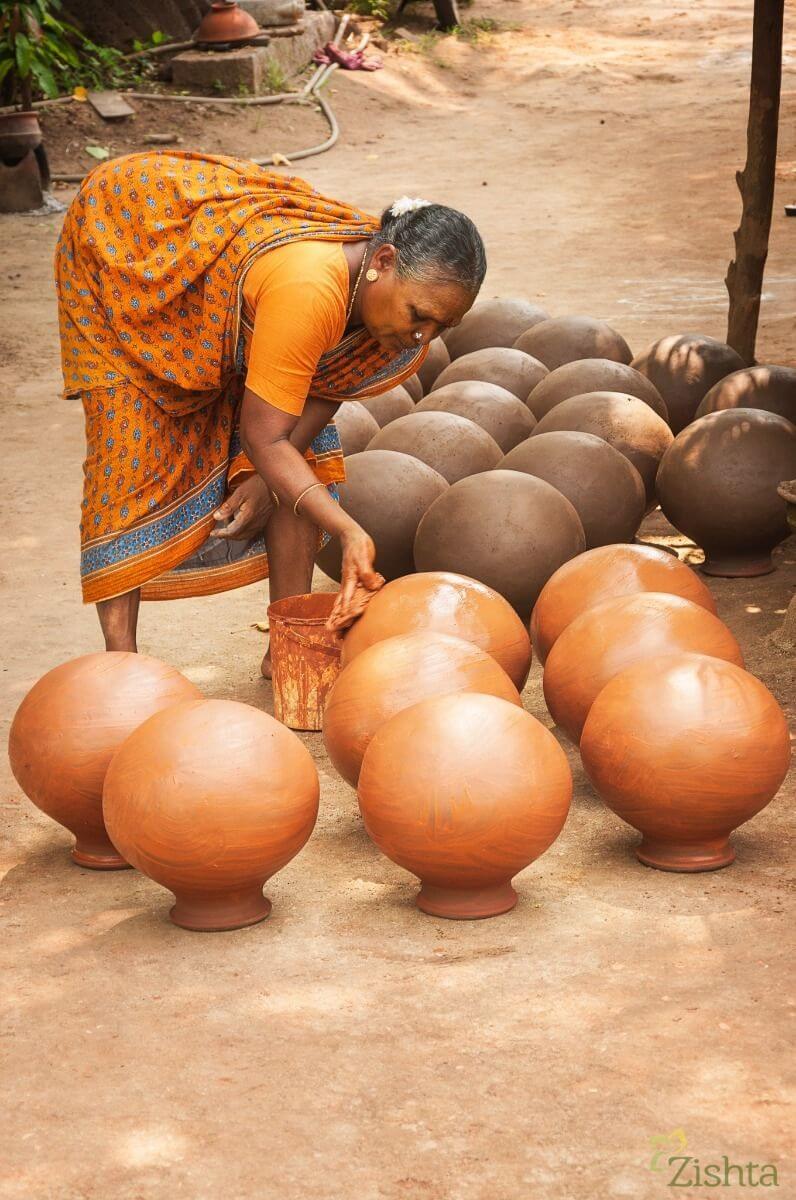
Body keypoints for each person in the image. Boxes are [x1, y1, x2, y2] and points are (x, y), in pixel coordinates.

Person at [55, 151, 486, 672]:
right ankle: (119, 668)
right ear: (383, 262)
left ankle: (289, 647)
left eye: (444, 326)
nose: (425, 337)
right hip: (130, 242)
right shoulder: (310, 289)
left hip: (238, 299)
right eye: (421, 316)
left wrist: (269, 477)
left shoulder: (395, 316)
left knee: (301, 468)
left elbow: (328, 385)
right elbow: (265, 437)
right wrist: (348, 530)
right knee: (128, 447)